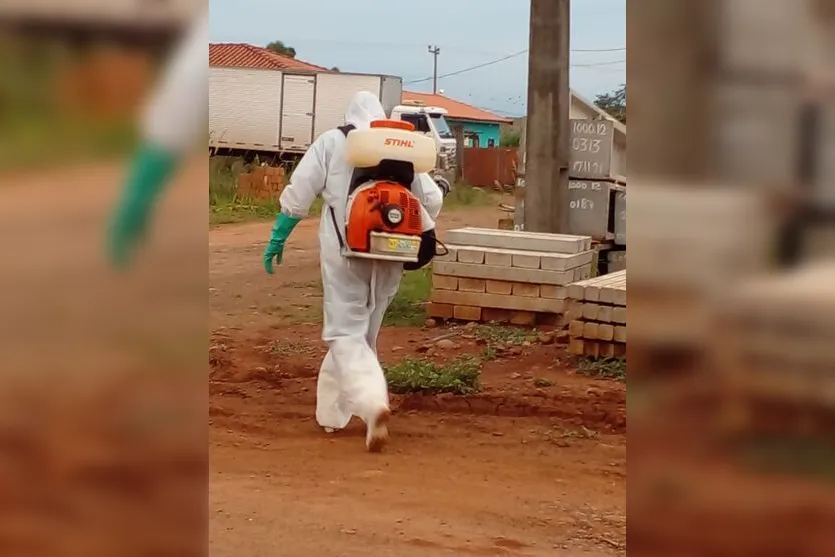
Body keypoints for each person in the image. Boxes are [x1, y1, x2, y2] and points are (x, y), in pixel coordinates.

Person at [264, 91, 443, 452]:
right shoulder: (402, 147)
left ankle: (370, 402)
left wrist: (278, 236)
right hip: (393, 253)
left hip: (346, 251)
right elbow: (432, 200)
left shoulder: (333, 141)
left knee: (345, 335)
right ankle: (332, 416)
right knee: (364, 336)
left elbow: (300, 193)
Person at [107, 11, 208, 267]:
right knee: (150, 175)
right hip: (173, 118)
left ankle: (132, 229)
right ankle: (122, 237)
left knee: (153, 176)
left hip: (174, 115)